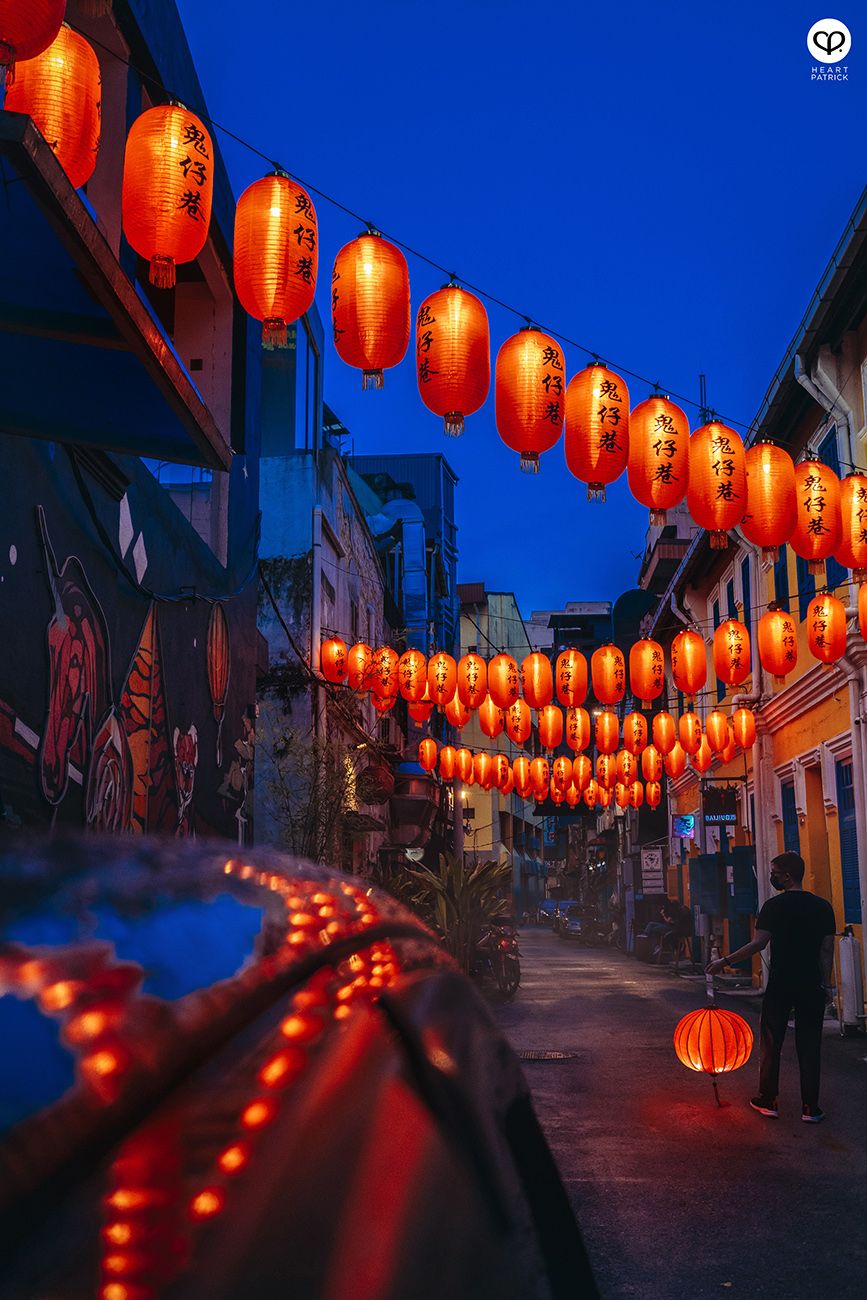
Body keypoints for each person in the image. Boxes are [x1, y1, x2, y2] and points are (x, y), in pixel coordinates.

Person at [706, 851, 836, 1123]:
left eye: (775, 873)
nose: (771, 877)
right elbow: (826, 950)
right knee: (810, 1045)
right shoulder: (823, 906)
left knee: (771, 1042)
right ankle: (810, 1107)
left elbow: (758, 943)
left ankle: (768, 1100)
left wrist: (725, 961)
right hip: (811, 983)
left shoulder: (774, 906)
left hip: (781, 983)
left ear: (787, 875)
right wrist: (827, 985)